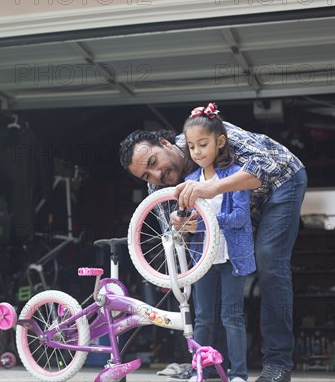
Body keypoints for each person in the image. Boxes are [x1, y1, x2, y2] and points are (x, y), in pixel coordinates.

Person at [119, 103, 307, 382]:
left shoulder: (206, 133)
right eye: (147, 175)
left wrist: (213, 187)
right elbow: (175, 241)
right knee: (202, 268)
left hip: (280, 183)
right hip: (234, 217)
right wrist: (182, 227)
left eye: (153, 163)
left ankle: (277, 363)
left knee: (268, 258)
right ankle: (208, 364)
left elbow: (265, 169)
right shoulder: (158, 186)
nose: (156, 175)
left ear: (165, 143)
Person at [176, 104, 255, 382]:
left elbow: (240, 217)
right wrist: (182, 222)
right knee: (204, 318)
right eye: (192, 146)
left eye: (203, 144)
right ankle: (202, 369)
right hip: (203, 258)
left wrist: (207, 220)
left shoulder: (234, 176)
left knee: (232, 316)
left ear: (219, 142)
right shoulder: (189, 181)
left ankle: (239, 373)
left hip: (232, 257)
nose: (197, 152)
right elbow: (187, 219)